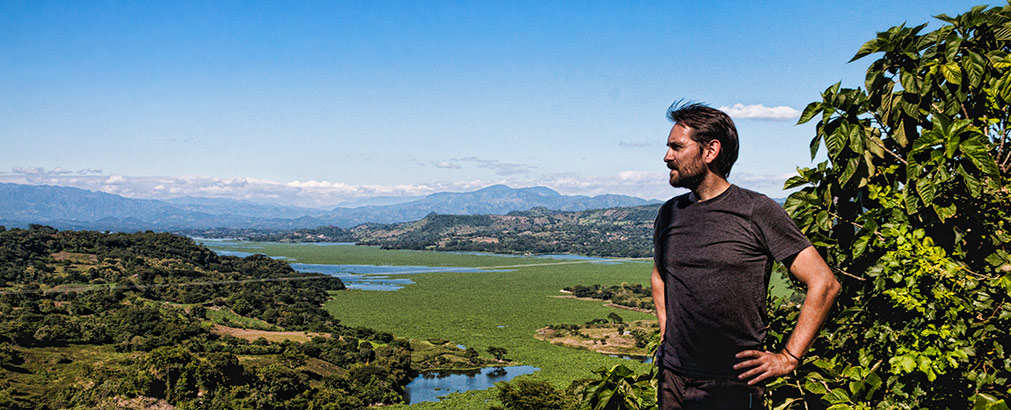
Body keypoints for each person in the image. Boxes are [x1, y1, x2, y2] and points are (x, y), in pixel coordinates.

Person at [651, 101, 840, 409]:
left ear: (710, 151)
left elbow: (824, 282)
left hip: (731, 383)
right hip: (672, 378)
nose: (666, 156)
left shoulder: (756, 210)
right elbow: (660, 276)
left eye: (676, 147)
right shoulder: (670, 213)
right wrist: (666, 337)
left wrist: (789, 357)